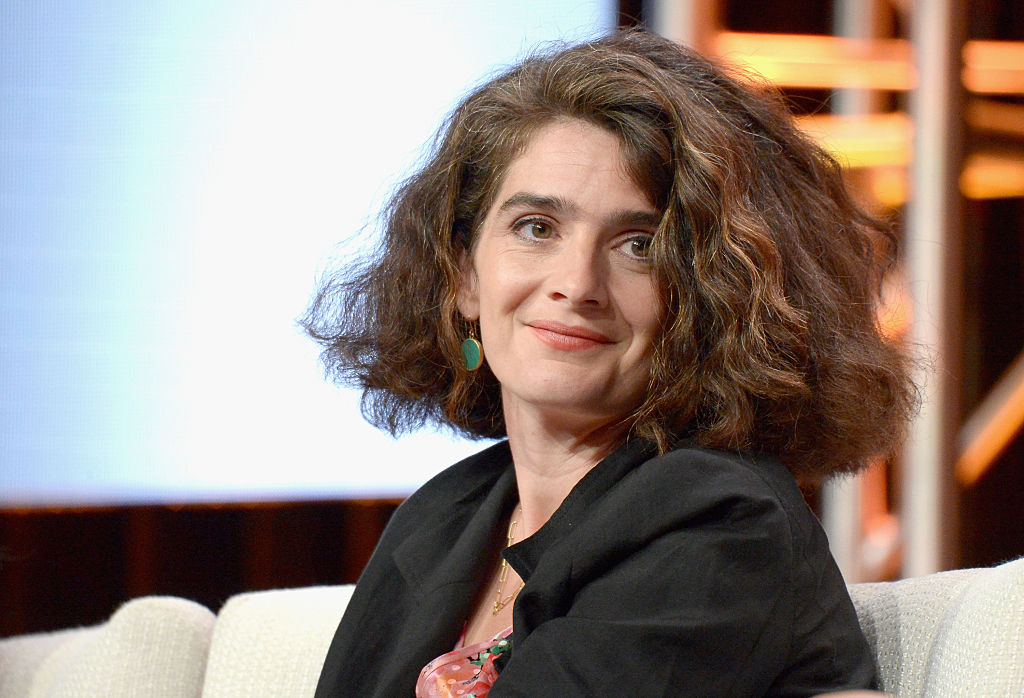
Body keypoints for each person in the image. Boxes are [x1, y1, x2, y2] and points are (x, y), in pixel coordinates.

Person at [304, 29, 916, 697]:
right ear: (464, 276)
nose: (577, 285)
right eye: (537, 228)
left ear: (715, 296)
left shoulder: (718, 521)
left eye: (638, 245)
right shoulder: (443, 518)